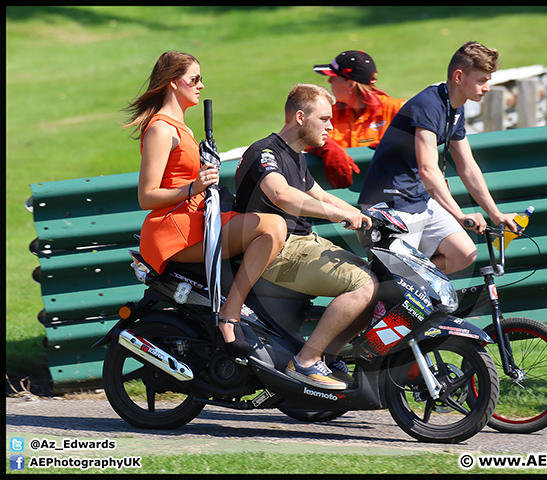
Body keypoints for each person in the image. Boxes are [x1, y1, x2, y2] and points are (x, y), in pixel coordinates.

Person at [123, 51, 286, 359]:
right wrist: (193, 186)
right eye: (194, 79)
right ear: (174, 83)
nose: (201, 85)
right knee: (272, 226)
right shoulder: (161, 128)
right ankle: (229, 316)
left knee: (272, 223)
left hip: (197, 222)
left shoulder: (181, 126)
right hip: (174, 232)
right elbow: (147, 196)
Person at [234, 83, 378, 390]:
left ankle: (327, 357)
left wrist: (366, 215)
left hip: (302, 244)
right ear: (300, 117)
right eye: (324, 119)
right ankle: (306, 362)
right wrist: (341, 216)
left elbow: (322, 196)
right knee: (363, 286)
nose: (330, 126)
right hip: (275, 251)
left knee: (379, 282)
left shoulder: (297, 156)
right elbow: (281, 194)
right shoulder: (265, 152)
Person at [358, 41, 518, 274]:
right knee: (393, 283)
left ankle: (410, 283)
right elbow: (428, 169)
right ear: (459, 76)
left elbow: (468, 166)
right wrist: (460, 215)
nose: (487, 88)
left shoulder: (455, 107)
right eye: (481, 80)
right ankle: (390, 286)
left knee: (464, 254)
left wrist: (495, 214)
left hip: (418, 198)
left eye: (488, 80)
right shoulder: (428, 105)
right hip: (389, 205)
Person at [308, 50, 405, 188]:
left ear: (350, 84)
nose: (329, 81)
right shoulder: (331, 112)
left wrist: (405, 143)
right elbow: (298, 135)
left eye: (334, 77)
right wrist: (325, 147)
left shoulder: (395, 110)